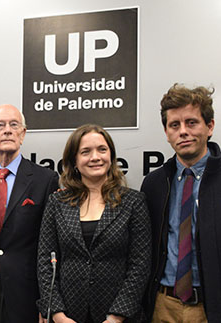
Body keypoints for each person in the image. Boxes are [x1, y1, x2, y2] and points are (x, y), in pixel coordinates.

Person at [37, 124, 150, 323]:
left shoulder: (133, 202)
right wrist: (57, 313)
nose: (95, 157)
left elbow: (140, 265)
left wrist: (117, 316)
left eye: (102, 149)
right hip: (68, 315)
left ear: (111, 156)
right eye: (85, 152)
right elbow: (45, 262)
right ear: (74, 161)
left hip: (118, 316)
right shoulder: (57, 203)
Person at [0, 104, 59, 323]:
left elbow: (51, 246)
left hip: (25, 295)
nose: (7, 130)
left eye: (14, 125)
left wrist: (47, 301)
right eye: (0, 125)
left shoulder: (45, 180)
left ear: (22, 134)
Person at [141, 84, 221, 322]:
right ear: (166, 133)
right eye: (174, 125)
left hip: (210, 308)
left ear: (210, 127)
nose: (183, 131)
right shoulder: (154, 184)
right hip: (163, 306)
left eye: (191, 122)